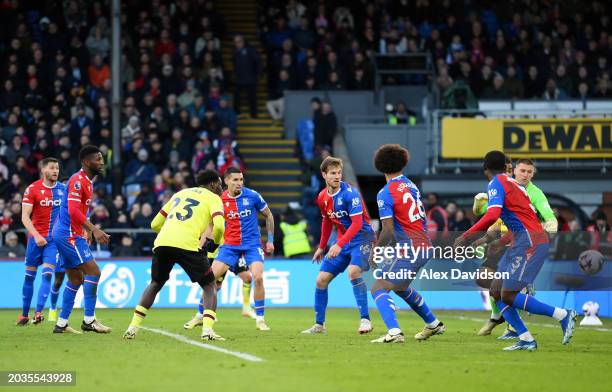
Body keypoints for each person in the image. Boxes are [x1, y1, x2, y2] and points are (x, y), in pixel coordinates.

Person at [455, 150, 577, 351]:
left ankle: (562, 315)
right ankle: (526, 338)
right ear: (506, 167)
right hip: (522, 241)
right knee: (496, 291)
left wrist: (466, 235)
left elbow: (493, 214)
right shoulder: (515, 186)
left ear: (486, 170)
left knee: (509, 295)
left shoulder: (497, 183)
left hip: (530, 243)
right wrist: (501, 242)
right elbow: (520, 220)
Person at [123, 170, 225, 340]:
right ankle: (207, 331)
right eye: (220, 184)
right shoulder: (214, 198)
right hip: (187, 245)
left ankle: (132, 327)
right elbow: (220, 226)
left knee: (155, 283)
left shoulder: (181, 193)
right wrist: (215, 243)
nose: (221, 187)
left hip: (163, 242)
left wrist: (170, 234)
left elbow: (155, 223)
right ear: (213, 184)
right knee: (209, 285)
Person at [368, 145, 445, 343]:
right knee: (401, 287)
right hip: (424, 245)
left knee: (378, 288)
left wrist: (375, 251)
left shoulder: (385, 193)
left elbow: (388, 230)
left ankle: (394, 332)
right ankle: (433, 323)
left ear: (380, 166)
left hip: (412, 248)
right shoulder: (411, 185)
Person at [301, 157, 375, 335]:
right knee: (321, 280)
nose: (337, 176)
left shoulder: (351, 194)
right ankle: (319, 325)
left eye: (339, 173)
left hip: (362, 238)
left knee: (353, 272)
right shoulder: (322, 197)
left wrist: (339, 244)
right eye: (333, 173)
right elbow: (327, 221)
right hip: (344, 241)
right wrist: (322, 246)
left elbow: (357, 224)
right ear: (324, 175)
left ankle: (365, 320)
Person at [205, 167, 275, 336]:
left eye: (241, 180)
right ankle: (202, 314)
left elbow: (269, 215)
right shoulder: (219, 199)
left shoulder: (252, 195)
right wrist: (203, 241)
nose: (239, 183)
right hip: (229, 245)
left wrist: (271, 241)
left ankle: (260, 319)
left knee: (257, 277)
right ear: (227, 180)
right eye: (235, 180)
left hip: (252, 244)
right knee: (209, 279)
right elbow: (210, 223)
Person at [51, 145, 111, 334]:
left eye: (102, 159)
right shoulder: (78, 180)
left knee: (76, 278)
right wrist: (94, 230)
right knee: (94, 271)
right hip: (68, 234)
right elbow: (73, 210)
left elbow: (79, 212)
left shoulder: (87, 181)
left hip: (68, 232)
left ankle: (61, 323)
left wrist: (86, 229)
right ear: (86, 162)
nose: (102, 162)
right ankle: (89, 320)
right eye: (98, 159)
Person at [17, 158, 66, 325]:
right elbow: (24, 217)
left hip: (53, 241)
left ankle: (38, 313)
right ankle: (24, 315)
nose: (55, 171)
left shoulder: (63, 190)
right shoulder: (32, 189)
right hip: (35, 240)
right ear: (43, 170)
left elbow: (70, 213)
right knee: (29, 277)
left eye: (57, 168)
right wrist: (36, 235)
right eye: (52, 168)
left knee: (47, 275)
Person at [232, 35, 260, 118]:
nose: (237, 43)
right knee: (236, 96)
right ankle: (237, 113)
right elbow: (235, 64)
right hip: (239, 79)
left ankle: (254, 115)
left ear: (243, 41)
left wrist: (257, 74)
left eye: (239, 41)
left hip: (250, 78)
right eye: (235, 42)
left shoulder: (250, 50)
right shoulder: (234, 52)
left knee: (252, 98)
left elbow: (258, 61)